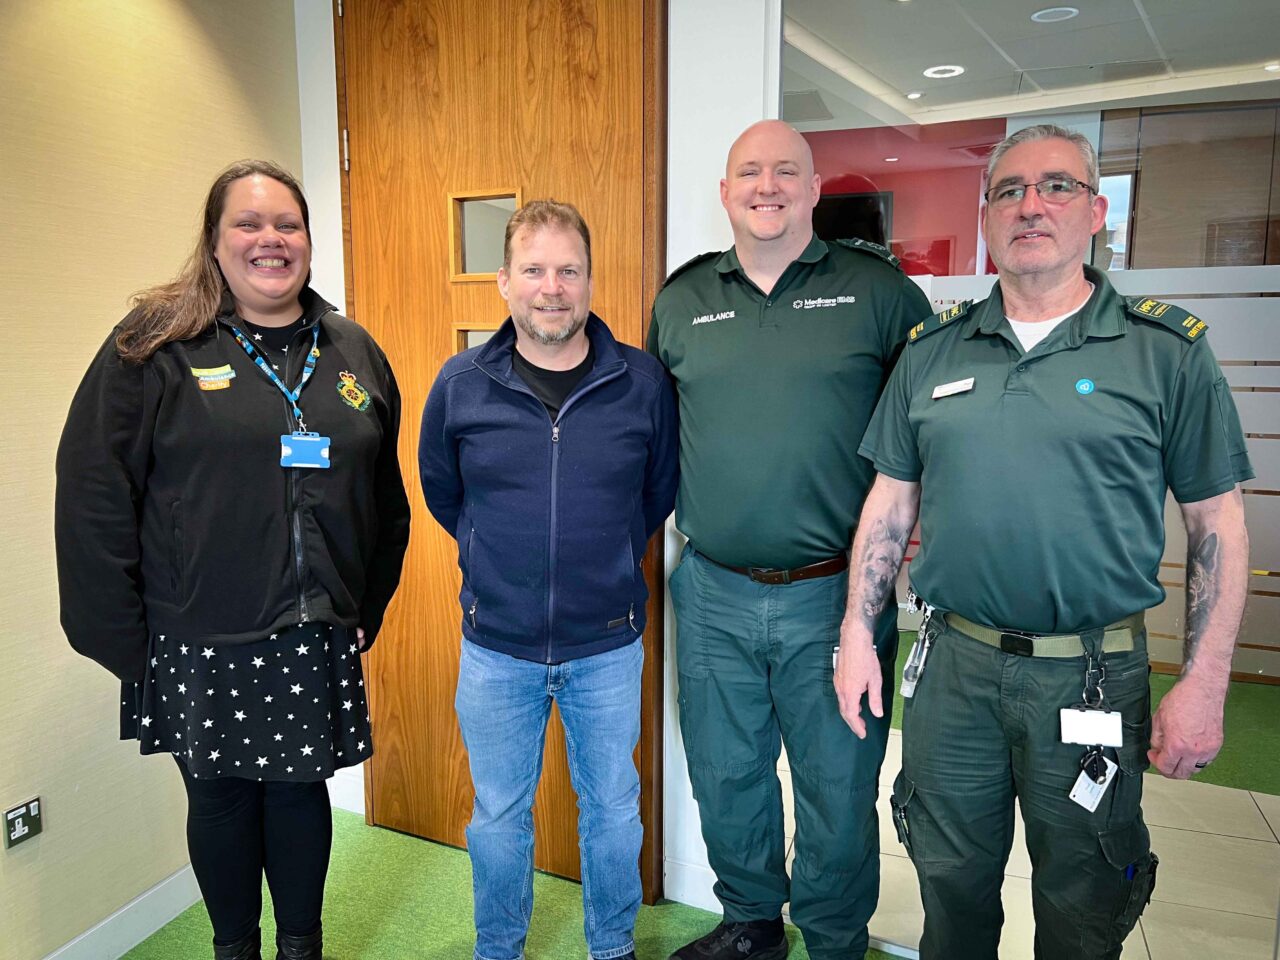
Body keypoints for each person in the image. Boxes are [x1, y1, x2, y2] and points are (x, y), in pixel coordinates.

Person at [837, 124, 1252, 960]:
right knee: (948, 880)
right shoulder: (933, 351)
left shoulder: (1164, 351)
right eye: (1010, 190)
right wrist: (855, 630)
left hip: (1093, 674)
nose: (1032, 205)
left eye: (1057, 186)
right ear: (988, 215)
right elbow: (890, 499)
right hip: (954, 670)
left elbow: (1219, 521)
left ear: (1096, 211)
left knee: (1085, 894)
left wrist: (1205, 682)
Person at [55, 160, 411, 960]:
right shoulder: (155, 347)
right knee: (217, 800)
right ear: (215, 243)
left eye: (287, 223)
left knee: (297, 794)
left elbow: (386, 501)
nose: (270, 240)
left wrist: (365, 607)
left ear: (309, 242)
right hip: (198, 634)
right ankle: (234, 949)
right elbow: (92, 494)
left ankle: (299, 947)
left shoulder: (350, 350)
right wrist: (127, 642)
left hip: (312, 627)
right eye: (248, 224)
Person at [649, 120, 933, 960]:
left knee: (837, 787)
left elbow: (931, 431)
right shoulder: (681, 300)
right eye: (749, 172)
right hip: (709, 588)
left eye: (786, 172)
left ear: (814, 190)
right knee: (725, 776)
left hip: (834, 597)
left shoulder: (879, 294)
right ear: (726, 192)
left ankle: (836, 938)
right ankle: (749, 926)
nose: (766, 186)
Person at [419, 199, 678, 960]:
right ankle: (498, 949)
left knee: (613, 811)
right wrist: (489, 554)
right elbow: (443, 490)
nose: (552, 287)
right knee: (498, 815)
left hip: (605, 643)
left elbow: (656, 493)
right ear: (503, 281)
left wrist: (609, 556)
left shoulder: (642, 380)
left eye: (568, 270)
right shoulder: (462, 382)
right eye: (534, 269)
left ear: (591, 281)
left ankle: (612, 947)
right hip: (496, 648)